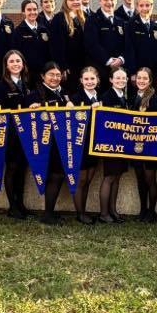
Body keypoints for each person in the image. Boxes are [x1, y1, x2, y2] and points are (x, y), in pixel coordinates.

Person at [25, 62, 71, 225]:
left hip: (61, 141)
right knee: (55, 175)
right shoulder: (35, 94)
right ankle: (48, 214)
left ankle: (49, 212)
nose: (55, 78)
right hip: (45, 143)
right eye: (51, 74)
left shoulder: (63, 93)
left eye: (58, 75)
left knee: (58, 175)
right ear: (43, 76)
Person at [0, 49, 30, 220]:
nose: (15, 64)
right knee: (12, 167)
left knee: (22, 168)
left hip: (25, 133)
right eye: (12, 62)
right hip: (9, 133)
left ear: (23, 64)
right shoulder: (1, 85)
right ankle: (12, 206)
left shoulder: (26, 83)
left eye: (18, 61)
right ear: (6, 65)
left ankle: (21, 203)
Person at [97, 66, 130, 223]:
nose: (121, 80)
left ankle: (113, 211)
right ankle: (104, 213)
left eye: (123, 78)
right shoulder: (107, 96)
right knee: (109, 177)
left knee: (117, 178)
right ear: (110, 80)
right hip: (111, 144)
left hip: (122, 144)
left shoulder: (125, 96)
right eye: (117, 78)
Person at [130, 67, 157, 224]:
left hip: (150, 145)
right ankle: (142, 209)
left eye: (145, 79)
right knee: (140, 178)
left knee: (150, 178)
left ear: (150, 81)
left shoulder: (155, 99)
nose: (141, 81)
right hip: (135, 145)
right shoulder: (132, 96)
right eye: (139, 78)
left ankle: (152, 211)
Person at [69, 66, 102, 224]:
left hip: (94, 143)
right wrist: (89, 108)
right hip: (80, 143)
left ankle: (84, 210)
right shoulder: (75, 98)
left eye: (92, 79)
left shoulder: (100, 97)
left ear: (98, 80)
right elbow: (72, 119)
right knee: (81, 179)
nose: (89, 82)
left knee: (89, 178)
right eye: (86, 79)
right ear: (81, 81)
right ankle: (80, 213)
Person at [85, 0, 127, 81]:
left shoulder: (122, 22)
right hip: (100, 70)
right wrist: (109, 61)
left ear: (116, 1)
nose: (109, 3)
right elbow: (92, 44)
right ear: (100, 1)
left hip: (119, 71)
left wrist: (121, 59)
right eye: (106, 0)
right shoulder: (92, 20)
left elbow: (127, 44)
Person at [49, 0, 86, 90]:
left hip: (81, 66)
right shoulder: (59, 19)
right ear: (66, 1)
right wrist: (62, 67)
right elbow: (56, 46)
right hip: (68, 68)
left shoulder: (81, 17)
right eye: (72, 0)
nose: (75, 2)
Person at [125, 0, 157, 86]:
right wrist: (132, 73)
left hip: (152, 73)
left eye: (147, 5)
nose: (144, 8)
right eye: (141, 5)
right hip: (137, 73)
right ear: (137, 7)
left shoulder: (156, 27)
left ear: (152, 6)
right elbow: (129, 49)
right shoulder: (131, 24)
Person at [12, 0, 51, 79]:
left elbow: (50, 52)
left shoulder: (44, 30)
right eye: (29, 10)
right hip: (27, 75)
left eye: (35, 9)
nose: (32, 12)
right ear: (23, 12)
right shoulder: (18, 31)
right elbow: (16, 54)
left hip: (44, 74)